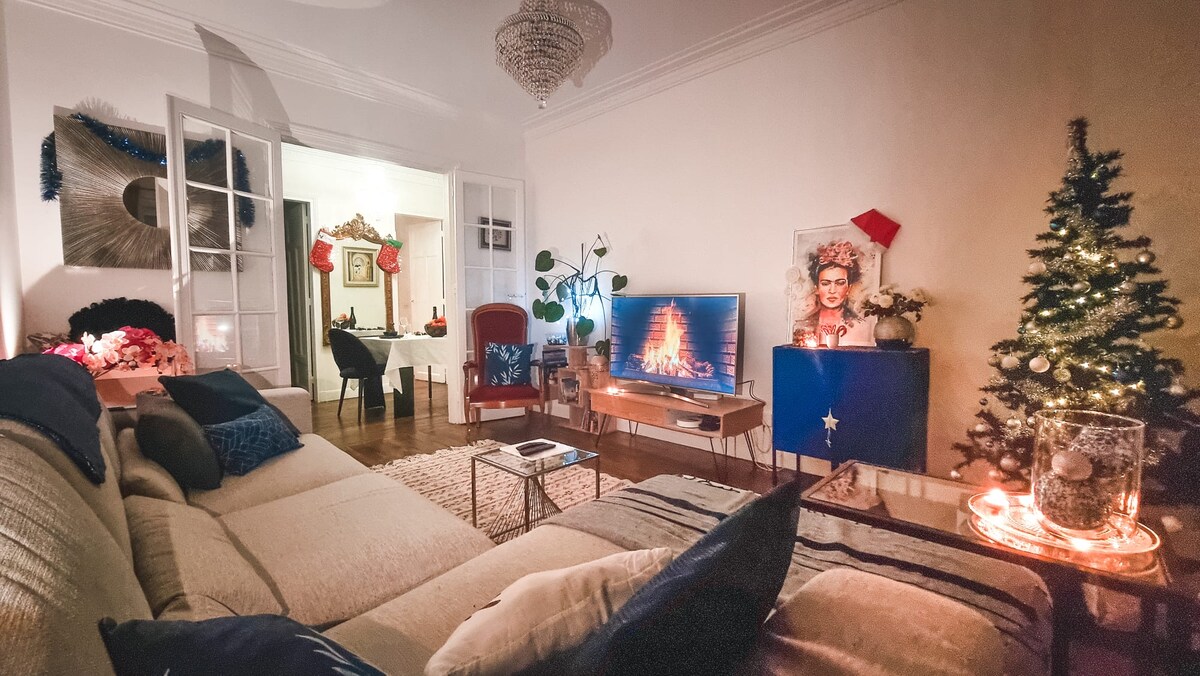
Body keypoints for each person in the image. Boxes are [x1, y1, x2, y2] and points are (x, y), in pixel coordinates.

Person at [794, 240, 865, 342]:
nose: (832, 290)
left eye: (839, 283)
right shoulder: (804, 324)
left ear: (848, 288)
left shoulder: (859, 325)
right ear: (817, 288)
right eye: (825, 283)